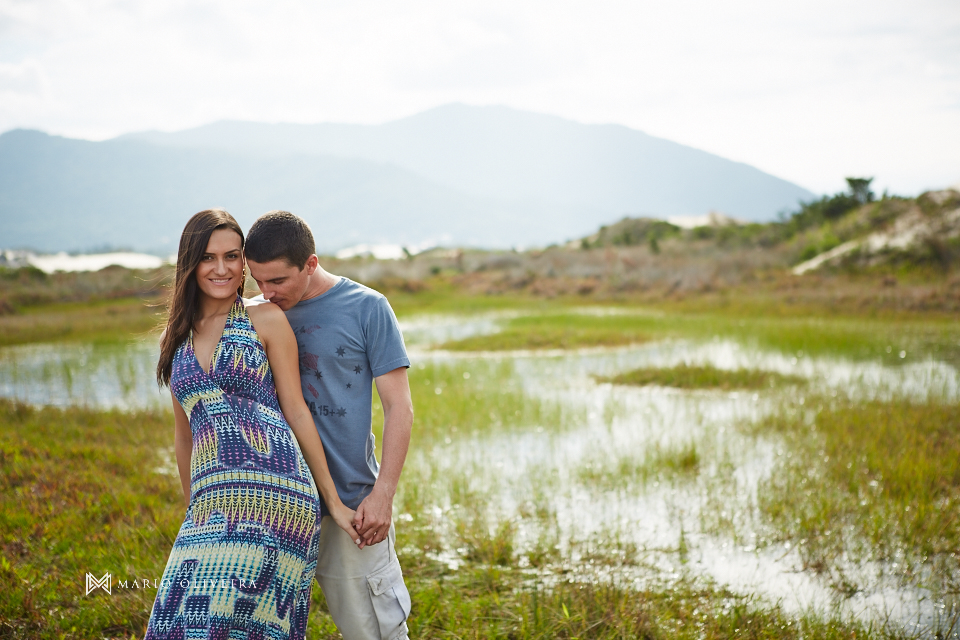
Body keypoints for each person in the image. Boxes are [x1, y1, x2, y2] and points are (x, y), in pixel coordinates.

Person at [146, 209, 358, 640]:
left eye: (232, 256)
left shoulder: (264, 318)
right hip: (211, 508)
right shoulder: (177, 339)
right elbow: (184, 435)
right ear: (191, 262)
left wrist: (331, 501)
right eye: (208, 257)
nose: (221, 268)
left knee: (245, 627)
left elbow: (296, 410)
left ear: (245, 262)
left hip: (278, 498)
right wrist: (194, 511)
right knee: (176, 625)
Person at [245, 211, 414, 640]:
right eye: (258, 281)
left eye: (278, 281)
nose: (267, 292)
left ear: (311, 264)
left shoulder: (367, 307)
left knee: (374, 631)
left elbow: (399, 408)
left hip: (352, 503)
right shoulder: (252, 317)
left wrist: (383, 494)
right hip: (273, 506)